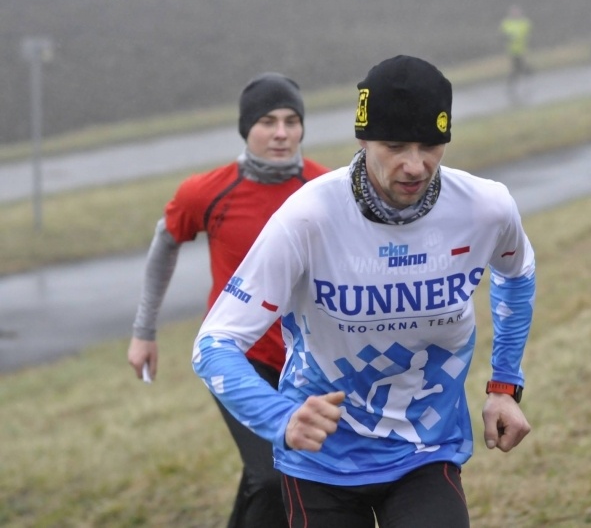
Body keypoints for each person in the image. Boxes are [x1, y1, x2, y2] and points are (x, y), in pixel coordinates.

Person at [192, 55, 536, 528]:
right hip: (320, 461)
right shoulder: (308, 217)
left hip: (424, 450)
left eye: (431, 145)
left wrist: (504, 385)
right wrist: (281, 418)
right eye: (394, 146)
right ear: (363, 138)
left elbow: (517, 275)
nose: (415, 166)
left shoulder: (486, 208)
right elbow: (214, 345)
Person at [127, 72, 328, 528]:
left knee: (283, 473)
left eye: (292, 121)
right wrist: (144, 332)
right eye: (268, 121)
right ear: (246, 129)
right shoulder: (207, 191)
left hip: (307, 361)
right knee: (275, 471)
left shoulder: (324, 189)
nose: (281, 133)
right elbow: (165, 244)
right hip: (239, 358)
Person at [499, 4, 534, 100]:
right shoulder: (507, 23)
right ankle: (513, 85)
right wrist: (509, 37)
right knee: (517, 68)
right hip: (512, 51)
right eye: (514, 12)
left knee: (521, 67)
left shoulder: (524, 22)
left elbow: (528, 34)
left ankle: (521, 84)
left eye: (517, 12)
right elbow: (503, 35)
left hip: (523, 49)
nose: (516, 14)